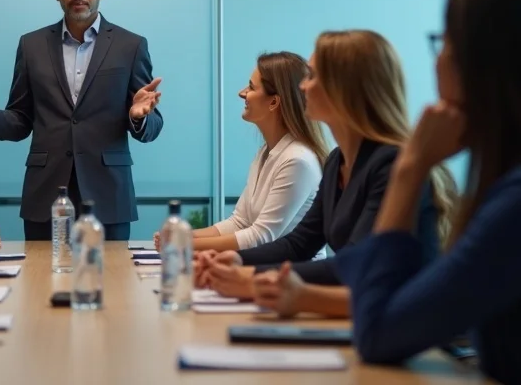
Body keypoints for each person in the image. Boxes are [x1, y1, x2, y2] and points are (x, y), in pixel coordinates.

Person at [337, 0, 521, 384]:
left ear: (483, 64)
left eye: (445, 43)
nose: (437, 62)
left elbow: (379, 332)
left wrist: (410, 169)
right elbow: (424, 295)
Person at [196, 30, 457, 305]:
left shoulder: (389, 165)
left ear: (345, 90)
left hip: (403, 331)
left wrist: (249, 277)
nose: (303, 87)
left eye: (312, 76)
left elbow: (351, 263)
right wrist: (236, 259)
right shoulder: (336, 161)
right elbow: (300, 243)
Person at [0, 0, 164, 241]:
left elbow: (152, 125)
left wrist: (137, 117)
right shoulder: (32, 45)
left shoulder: (131, 46)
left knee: (110, 284)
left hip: (108, 196)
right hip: (45, 195)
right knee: (41, 283)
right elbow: (22, 119)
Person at [153, 52, 327, 253]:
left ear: (274, 102)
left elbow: (261, 236)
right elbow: (240, 221)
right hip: (263, 271)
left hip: (291, 276)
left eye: (252, 88)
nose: (242, 93)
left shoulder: (298, 161)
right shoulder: (266, 153)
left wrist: (184, 244)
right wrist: (182, 236)